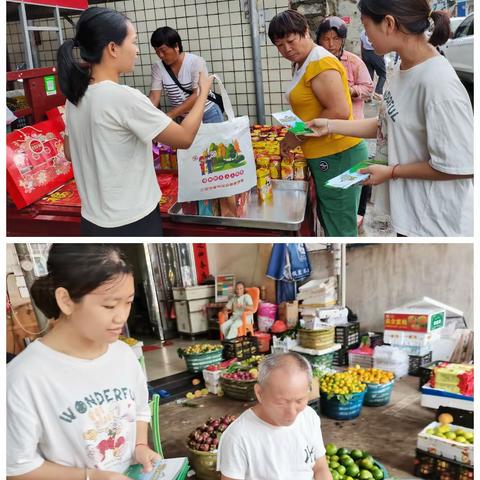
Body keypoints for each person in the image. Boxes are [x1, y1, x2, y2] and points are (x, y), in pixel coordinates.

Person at [306, 0, 473, 237]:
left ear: (388, 23)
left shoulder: (439, 85)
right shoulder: (401, 68)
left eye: (366, 25)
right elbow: (387, 125)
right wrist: (330, 125)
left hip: (438, 226)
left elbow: (460, 166)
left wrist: (392, 171)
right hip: (411, 217)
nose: (365, 35)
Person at [57, 7, 213, 236]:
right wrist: (202, 93)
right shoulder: (123, 97)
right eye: (134, 41)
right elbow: (184, 138)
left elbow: (70, 153)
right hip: (133, 220)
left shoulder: (75, 98)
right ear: (113, 48)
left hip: (92, 221)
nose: (137, 50)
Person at [7, 244, 157, 480]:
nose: (121, 317)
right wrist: (91, 476)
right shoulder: (22, 378)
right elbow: (16, 468)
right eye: (109, 305)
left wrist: (139, 446)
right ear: (66, 301)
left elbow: (139, 409)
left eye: (128, 302)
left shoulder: (123, 355)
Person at [269, 10, 369, 237]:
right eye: (279, 45)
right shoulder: (304, 62)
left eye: (290, 41)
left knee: (340, 225)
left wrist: (295, 134)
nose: (286, 49)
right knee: (333, 218)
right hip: (328, 155)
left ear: (306, 32)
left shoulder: (320, 63)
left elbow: (339, 111)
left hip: (338, 154)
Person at [217, 352, 332, 480]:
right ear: (260, 393)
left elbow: (320, 468)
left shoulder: (309, 417)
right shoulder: (238, 438)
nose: (292, 412)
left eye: (299, 401)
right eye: (281, 402)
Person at [316, 16, 374, 230]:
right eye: (325, 38)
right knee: (334, 183)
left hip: (352, 127)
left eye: (335, 39)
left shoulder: (353, 61)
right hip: (325, 130)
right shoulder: (313, 63)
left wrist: (351, 91)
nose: (330, 44)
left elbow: (369, 88)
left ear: (342, 40)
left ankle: (358, 213)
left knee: (358, 172)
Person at [149, 27, 224, 124]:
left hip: (208, 113)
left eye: (163, 50)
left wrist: (170, 115)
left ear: (176, 46)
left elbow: (197, 95)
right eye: (157, 51)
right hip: (184, 118)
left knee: (215, 140)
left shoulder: (195, 62)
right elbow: (154, 98)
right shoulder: (157, 67)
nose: (161, 55)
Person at [360, 29, 386, 101]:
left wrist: (362, 57)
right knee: (382, 74)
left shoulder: (362, 33)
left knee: (369, 76)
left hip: (366, 54)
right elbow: (380, 44)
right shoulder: (376, 32)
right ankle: (377, 92)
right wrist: (382, 55)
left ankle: (367, 95)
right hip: (376, 54)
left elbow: (362, 46)